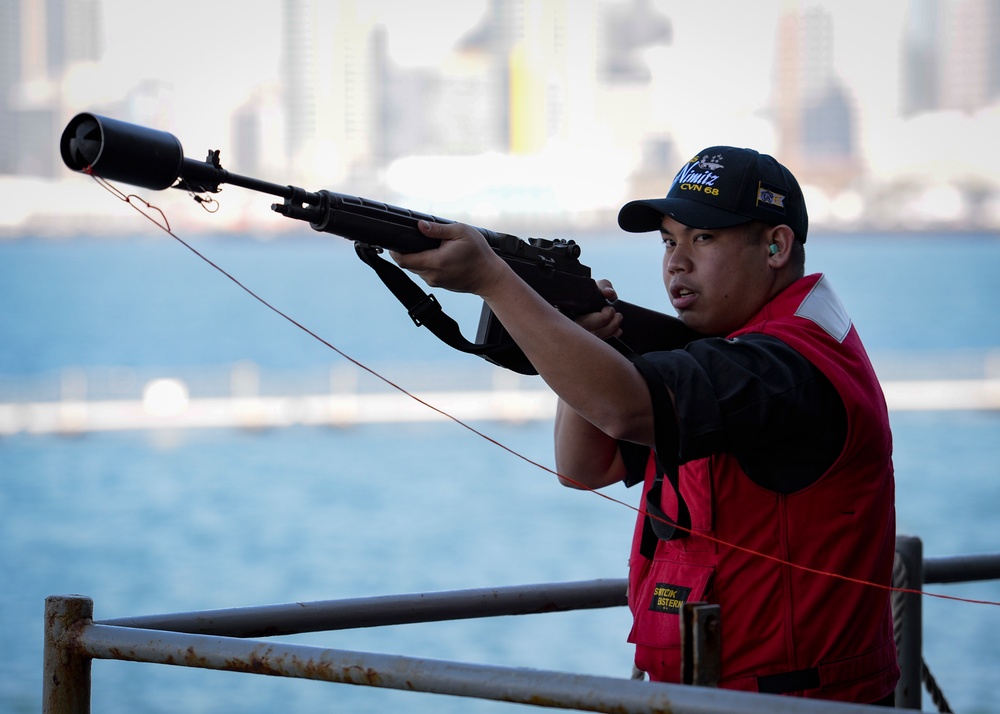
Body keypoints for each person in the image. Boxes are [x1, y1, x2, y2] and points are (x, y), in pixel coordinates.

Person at [392, 146, 899, 705]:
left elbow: (625, 409)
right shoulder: (729, 353)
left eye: (703, 238)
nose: (676, 262)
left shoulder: (786, 367)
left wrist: (495, 281)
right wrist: (588, 338)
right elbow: (583, 467)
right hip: (708, 693)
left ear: (776, 246)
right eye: (668, 240)